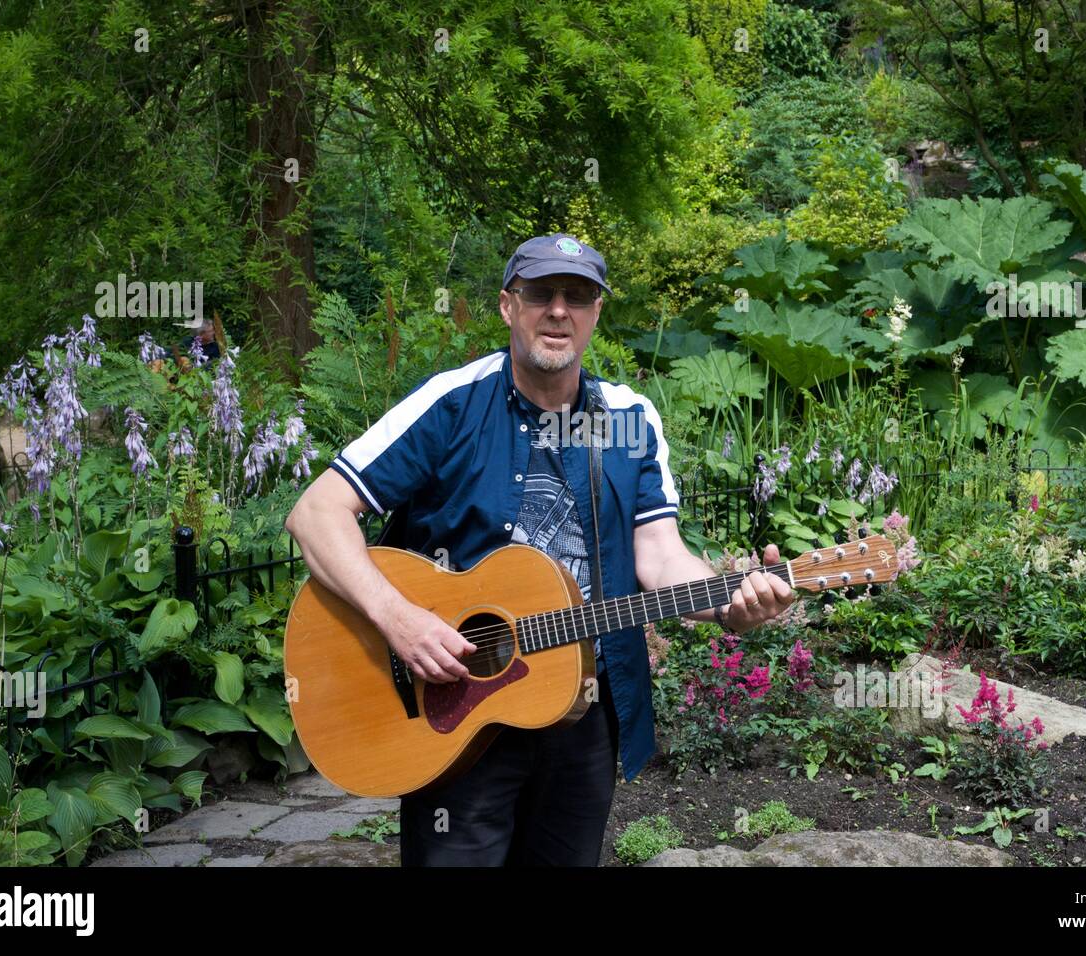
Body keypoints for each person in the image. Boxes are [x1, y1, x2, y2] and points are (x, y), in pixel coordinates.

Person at [284, 233, 795, 866]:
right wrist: (400, 620)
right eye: (540, 293)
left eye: (578, 295)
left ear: (596, 313)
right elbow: (315, 512)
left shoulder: (630, 418)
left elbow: (659, 557)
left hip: (580, 711)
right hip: (452, 701)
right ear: (507, 306)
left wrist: (728, 603)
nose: (559, 310)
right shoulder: (452, 403)